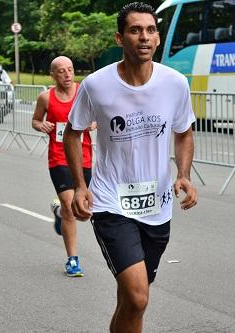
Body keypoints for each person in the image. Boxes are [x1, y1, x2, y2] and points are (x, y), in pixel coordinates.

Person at [63, 3, 197, 332]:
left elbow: (184, 132)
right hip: (111, 202)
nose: (144, 37)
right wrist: (81, 185)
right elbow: (72, 132)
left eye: (150, 30)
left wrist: (184, 174)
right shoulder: (96, 85)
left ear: (157, 37)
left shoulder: (175, 83)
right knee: (138, 297)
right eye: (135, 30)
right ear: (120, 38)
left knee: (132, 299)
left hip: (158, 207)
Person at [31, 56, 94, 277]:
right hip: (58, 158)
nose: (67, 74)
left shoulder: (84, 93)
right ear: (53, 75)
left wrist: (92, 123)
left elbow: (97, 118)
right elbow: (36, 120)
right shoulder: (45, 98)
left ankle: (58, 213)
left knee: (83, 210)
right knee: (69, 205)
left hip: (83, 157)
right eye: (61, 71)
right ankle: (72, 260)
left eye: (70, 70)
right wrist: (42, 125)